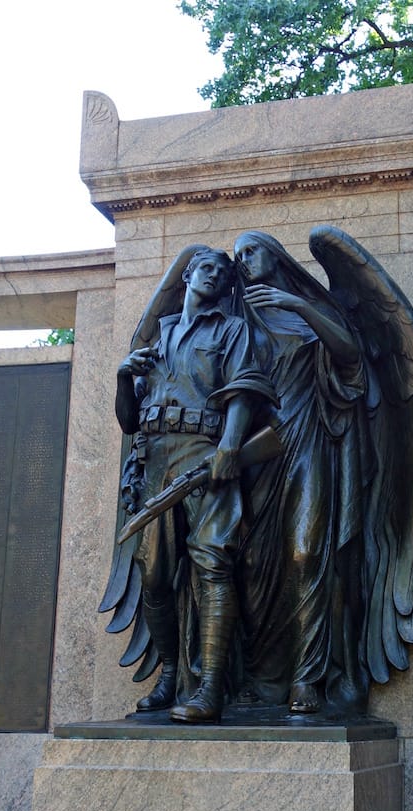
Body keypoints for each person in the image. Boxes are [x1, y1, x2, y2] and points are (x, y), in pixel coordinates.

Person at [114, 247, 275, 723]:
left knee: (212, 566)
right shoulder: (159, 338)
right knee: (154, 576)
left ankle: (210, 689)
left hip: (206, 457)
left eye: (224, 274)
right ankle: (170, 675)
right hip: (157, 461)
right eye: (207, 267)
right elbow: (128, 421)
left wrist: (229, 445)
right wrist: (124, 378)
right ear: (188, 274)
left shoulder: (232, 330)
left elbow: (244, 387)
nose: (216, 276)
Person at [233, 231, 368, 713]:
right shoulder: (237, 317)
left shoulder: (307, 309)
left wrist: (301, 305)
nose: (242, 261)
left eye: (250, 251)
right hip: (254, 453)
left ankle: (307, 679)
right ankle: (262, 679)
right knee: (251, 567)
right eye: (237, 256)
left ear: (274, 254)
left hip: (307, 440)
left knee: (306, 553)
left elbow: (349, 355)